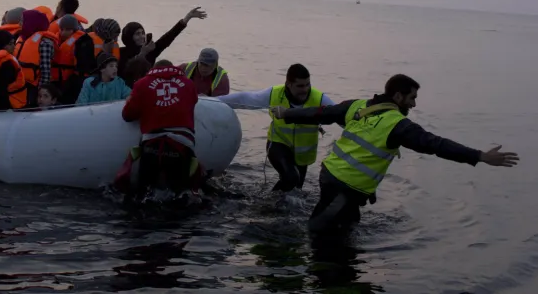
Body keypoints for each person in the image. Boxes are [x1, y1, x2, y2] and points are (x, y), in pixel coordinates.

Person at [271, 74, 519, 234]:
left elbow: (319, 113)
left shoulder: (357, 106)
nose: (413, 104)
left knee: (348, 228)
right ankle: (284, 246)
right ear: (398, 96)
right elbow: (435, 144)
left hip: (331, 178)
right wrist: (479, 156)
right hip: (344, 187)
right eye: (411, 98)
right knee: (316, 232)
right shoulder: (397, 124)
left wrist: (286, 113)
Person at [219, 64, 335, 194]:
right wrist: (211, 100)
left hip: (303, 155)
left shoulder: (320, 99)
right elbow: (245, 99)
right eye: (300, 86)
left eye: (308, 84)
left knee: (295, 191)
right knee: (291, 177)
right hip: (278, 145)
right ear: (288, 84)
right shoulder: (274, 94)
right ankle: (267, 205)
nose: (305, 89)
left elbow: (341, 114)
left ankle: (273, 204)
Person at [117, 60, 204, 200]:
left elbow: (127, 115)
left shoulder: (142, 84)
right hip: (181, 146)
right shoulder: (189, 84)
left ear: (153, 69)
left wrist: (130, 101)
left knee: (143, 195)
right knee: (179, 196)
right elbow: (193, 102)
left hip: (152, 145)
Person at [120, 7, 207, 85]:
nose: (142, 36)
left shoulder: (151, 52)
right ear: (129, 36)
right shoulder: (120, 52)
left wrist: (187, 18)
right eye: (137, 34)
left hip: (147, 89)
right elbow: (124, 72)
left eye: (143, 33)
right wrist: (142, 54)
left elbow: (168, 37)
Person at [53, 15, 98, 104]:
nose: (63, 32)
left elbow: (83, 64)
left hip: (71, 80)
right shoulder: (55, 39)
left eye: (67, 29)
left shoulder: (81, 42)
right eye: (61, 29)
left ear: (74, 30)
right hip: (56, 80)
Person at [14, 9, 58, 101]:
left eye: (22, 21)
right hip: (18, 85)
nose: (19, 24)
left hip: (33, 88)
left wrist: (40, 93)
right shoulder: (22, 38)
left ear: (31, 23)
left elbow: (45, 71)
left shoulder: (45, 43)